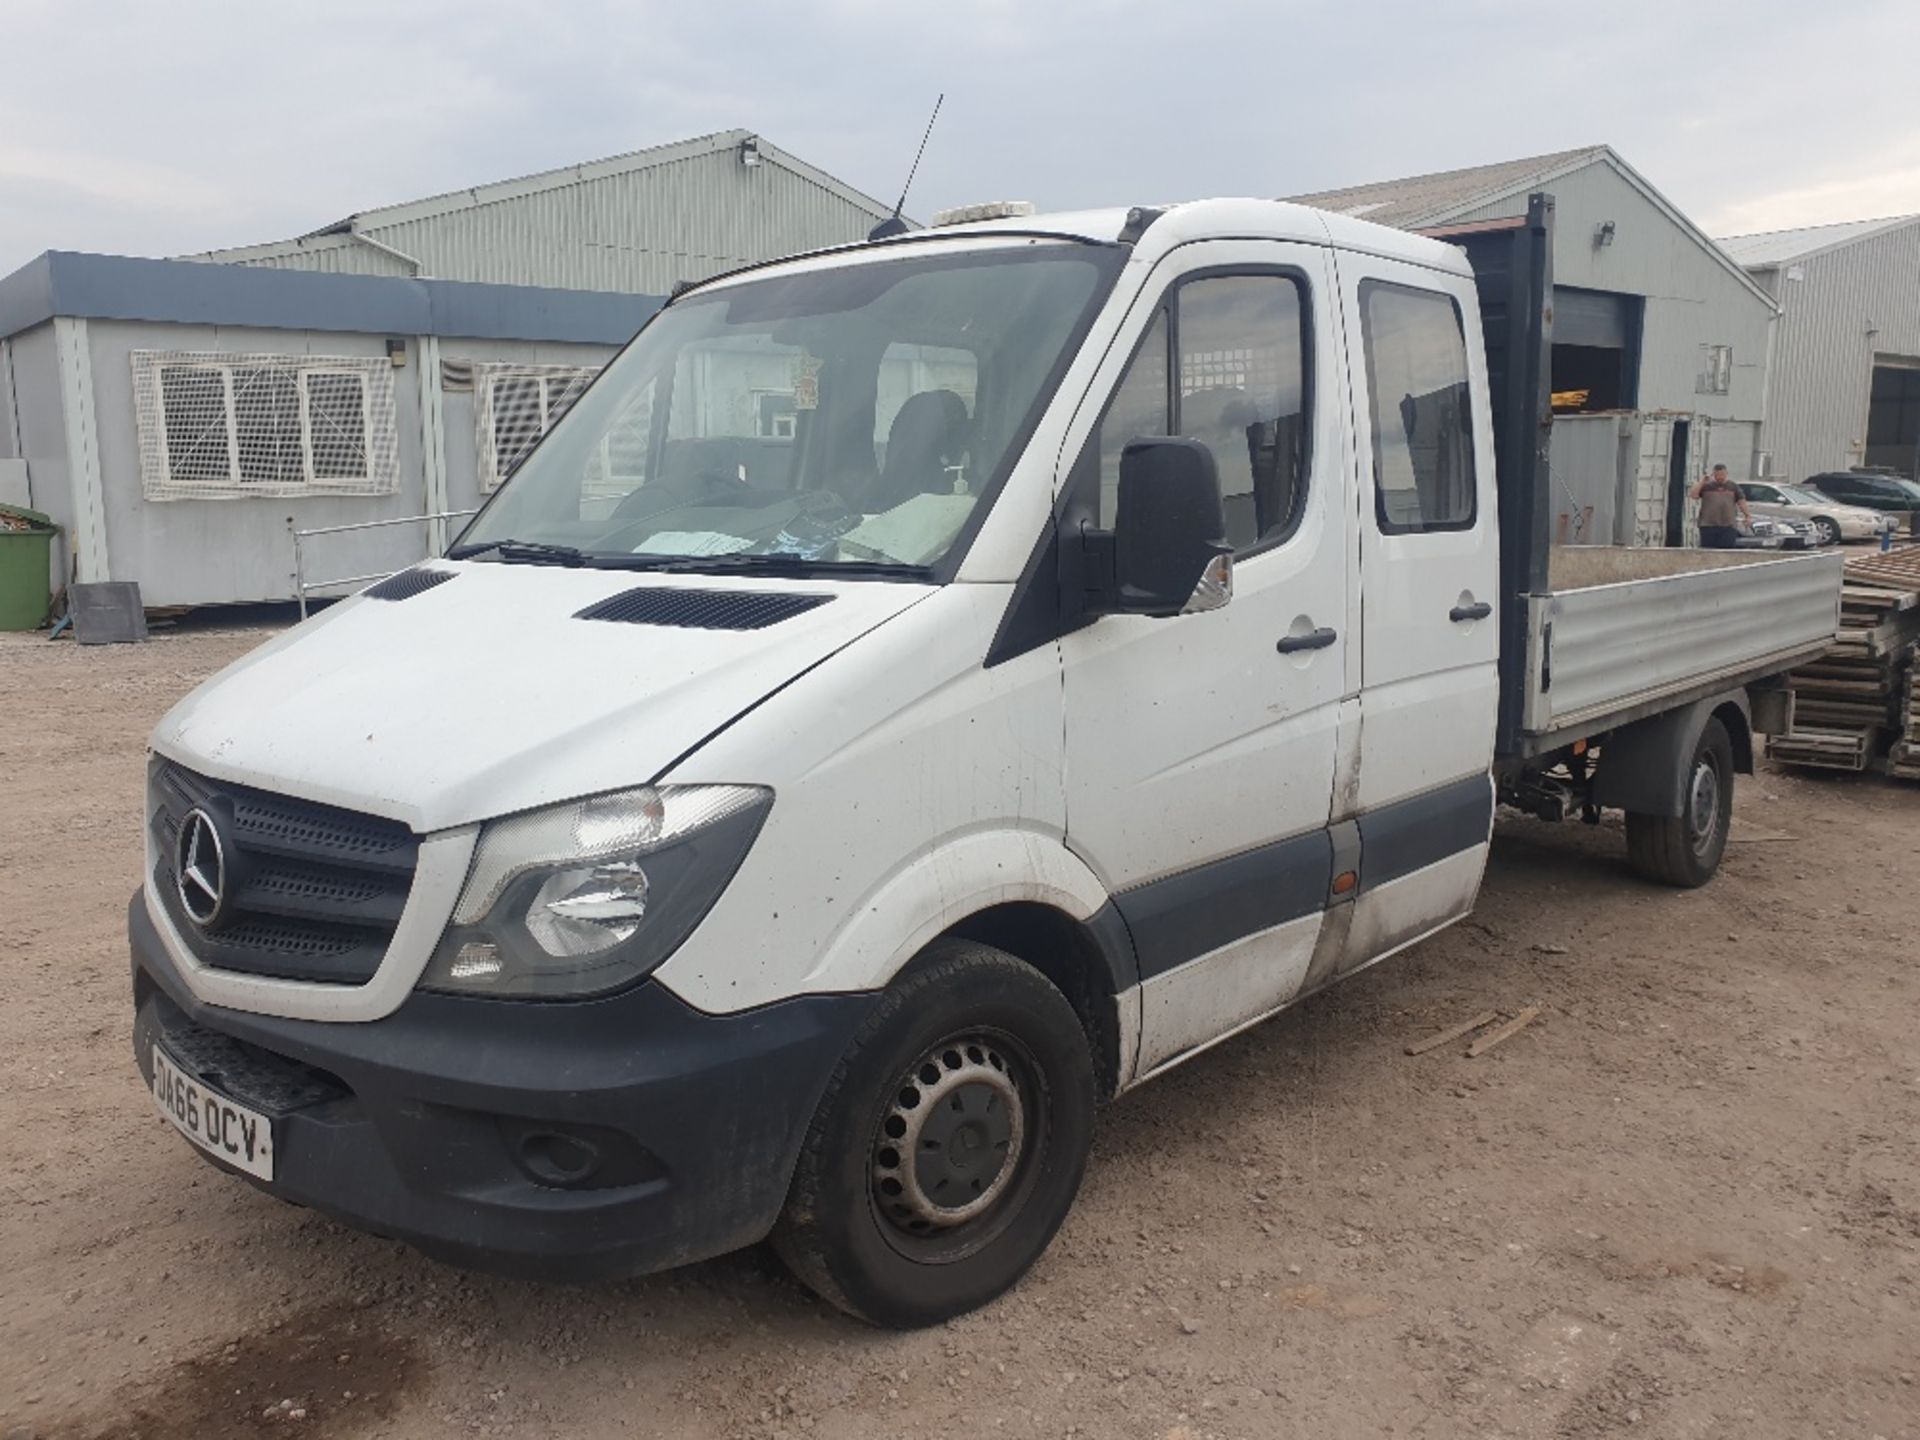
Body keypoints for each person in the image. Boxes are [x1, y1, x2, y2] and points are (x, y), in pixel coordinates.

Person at [1689, 464, 1750, 548]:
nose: (1720, 477)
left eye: (1722, 475)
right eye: (1717, 475)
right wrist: (1702, 482)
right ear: (1713, 475)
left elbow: (1741, 502)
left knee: (1726, 552)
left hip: (1728, 526)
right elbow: (1693, 495)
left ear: (1726, 474)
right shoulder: (1707, 487)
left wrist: (1747, 515)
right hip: (1708, 526)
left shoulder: (1733, 487)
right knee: (1707, 551)